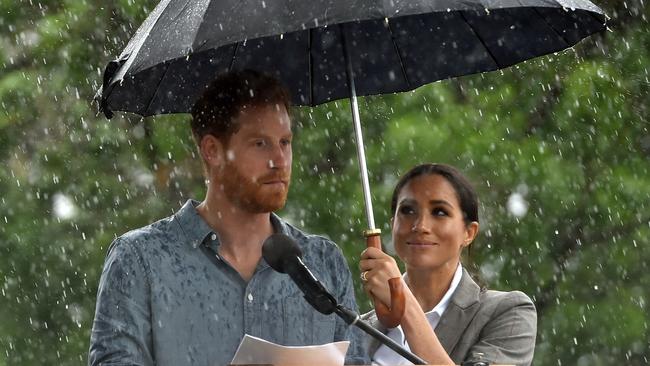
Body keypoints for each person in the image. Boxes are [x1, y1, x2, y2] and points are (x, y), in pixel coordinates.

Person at [88, 70, 368, 365]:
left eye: (285, 142)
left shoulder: (324, 263)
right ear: (212, 151)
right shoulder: (139, 259)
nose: (279, 161)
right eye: (260, 144)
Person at [360, 163, 536, 365]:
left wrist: (403, 302)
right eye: (408, 210)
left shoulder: (508, 312)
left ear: (469, 233)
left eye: (440, 212)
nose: (421, 226)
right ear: (393, 225)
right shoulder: (358, 328)